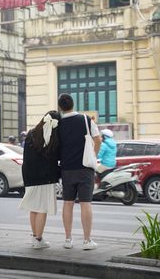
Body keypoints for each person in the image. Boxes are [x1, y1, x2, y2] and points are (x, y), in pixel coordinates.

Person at [58, 93, 102, 250]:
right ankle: (87, 240)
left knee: (67, 203)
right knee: (85, 203)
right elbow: (98, 140)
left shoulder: (59, 123)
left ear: (60, 107)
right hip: (85, 168)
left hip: (66, 169)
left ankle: (68, 240)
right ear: (73, 104)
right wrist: (93, 156)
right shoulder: (85, 119)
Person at [19, 110, 61, 249]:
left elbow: (26, 156)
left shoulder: (31, 133)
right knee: (42, 208)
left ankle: (35, 237)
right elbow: (56, 158)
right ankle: (38, 239)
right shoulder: (53, 138)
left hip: (30, 176)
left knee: (34, 208)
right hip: (45, 178)